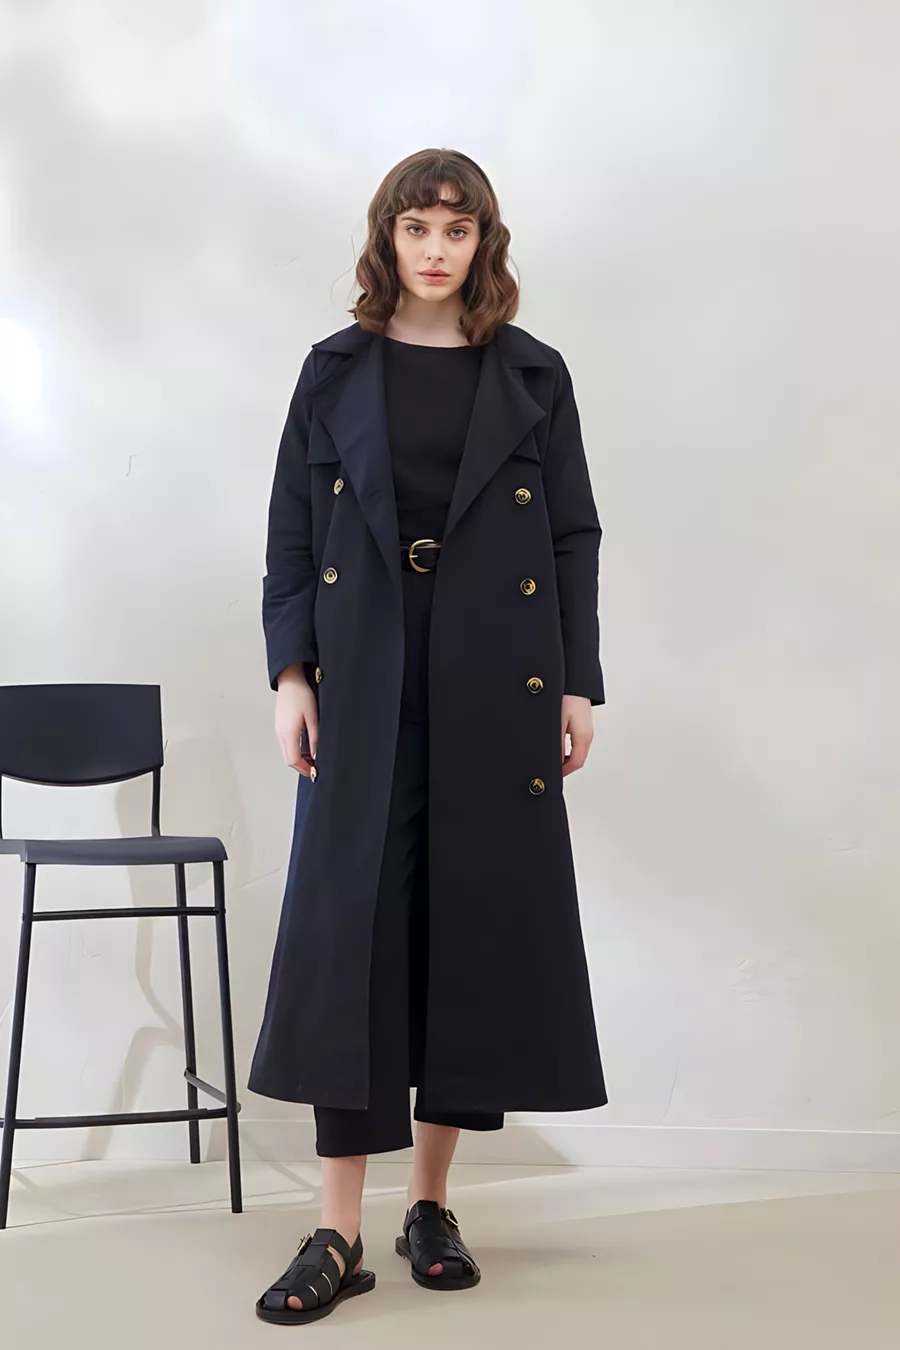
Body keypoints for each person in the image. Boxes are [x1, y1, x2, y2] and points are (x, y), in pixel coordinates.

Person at [252, 147, 608, 1326]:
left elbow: (571, 534)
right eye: (419, 227)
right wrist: (290, 673)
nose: (438, 248)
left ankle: (430, 1205)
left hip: (493, 679)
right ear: (389, 239)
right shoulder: (334, 369)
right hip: (359, 677)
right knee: (350, 938)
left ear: (483, 242)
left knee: (466, 930)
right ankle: (335, 1229)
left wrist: (575, 683)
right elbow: (293, 528)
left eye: (459, 229)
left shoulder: (534, 374)